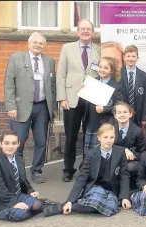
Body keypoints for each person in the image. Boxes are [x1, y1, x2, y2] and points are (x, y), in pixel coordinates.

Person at [43, 124, 131, 217]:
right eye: (105, 137)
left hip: (111, 190)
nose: (109, 140)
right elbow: (82, 177)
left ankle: (68, 206)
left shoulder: (120, 152)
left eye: (111, 137)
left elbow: (124, 176)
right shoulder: (91, 154)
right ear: (99, 138)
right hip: (95, 187)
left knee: (111, 206)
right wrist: (70, 200)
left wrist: (124, 197)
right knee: (95, 202)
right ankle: (65, 206)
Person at [4, 32, 56, 184]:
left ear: (44, 45)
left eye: (41, 43)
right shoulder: (16, 58)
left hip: (42, 107)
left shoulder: (49, 61)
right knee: (18, 142)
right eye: (35, 42)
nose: (37, 45)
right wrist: (11, 106)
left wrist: (52, 108)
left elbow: (52, 86)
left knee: (41, 141)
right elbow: (9, 84)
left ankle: (37, 171)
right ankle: (17, 172)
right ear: (28, 43)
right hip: (20, 108)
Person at [57, 19, 101, 182]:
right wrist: (62, 98)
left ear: (93, 32)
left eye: (88, 29)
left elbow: (100, 72)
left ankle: (86, 167)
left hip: (91, 98)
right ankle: (68, 169)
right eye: (82, 29)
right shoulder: (67, 48)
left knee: (90, 135)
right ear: (77, 32)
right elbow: (61, 74)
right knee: (71, 136)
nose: (85, 32)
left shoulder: (99, 50)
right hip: (71, 98)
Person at [0, 131, 46, 221]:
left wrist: (31, 191)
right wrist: (14, 203)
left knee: (37, 204)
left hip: (17, 194)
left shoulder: (19, 158)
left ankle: (37, 206)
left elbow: (23, 179)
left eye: (14, 143)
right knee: (21, 215)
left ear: (18, 144)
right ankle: (35, 208)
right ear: (1, 144)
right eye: (6, 143)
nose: (10, 146)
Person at [83, 57, 122, 155]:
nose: (102, 70)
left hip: (105, 124)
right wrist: (83, 91)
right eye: (100, 67)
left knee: (102, 153)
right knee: (89, 154)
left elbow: (119, 107)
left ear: (112, 70)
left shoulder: (116, 86)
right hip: (91, 122)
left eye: (106, 68)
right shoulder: (93, 82)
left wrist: (105, 109)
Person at [112, 102, 145, 190]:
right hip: (114, 160)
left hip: (131, 162)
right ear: (115, 115)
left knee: (130, 168)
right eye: (119, 112)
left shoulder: (137, 131)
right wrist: (124, 150)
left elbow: (143, 153)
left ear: (130, 114)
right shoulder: (111, 129)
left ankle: (130, 189)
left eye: (125, 112)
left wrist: (131, 154)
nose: (122, 115)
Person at [120, 45, 146, 130]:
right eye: (128, 56)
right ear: (124, 57)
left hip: (138, 115)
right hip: (121, 114)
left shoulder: (144, 76)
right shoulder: (118, 74)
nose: (131, 58)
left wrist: (144, 117)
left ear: (137, 58)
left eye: (133, 56)